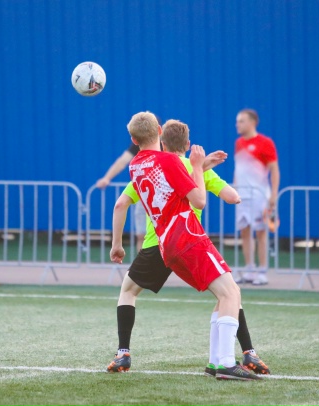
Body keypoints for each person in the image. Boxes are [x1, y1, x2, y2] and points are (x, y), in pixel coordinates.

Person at [106, 119, 270, 378]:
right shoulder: (174, 163)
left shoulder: (137, 166)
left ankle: (125, 351)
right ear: (159, 132)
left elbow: (124, 202)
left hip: (160, 243)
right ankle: (231, 360)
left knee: (129, 291)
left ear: (136, 141)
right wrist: (198, 167)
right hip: (188, 236)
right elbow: (206, 199)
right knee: (230, 293)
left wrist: (117, 244)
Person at [96, 115, 162, 252]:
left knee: (145, 236)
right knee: (143, 235)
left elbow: (120, 205)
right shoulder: (142, 150)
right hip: (148, 192)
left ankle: (145, 263)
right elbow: (123, 161)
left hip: (150, 192)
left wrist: (107, 178)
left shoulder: (162, 148)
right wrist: (107, 178)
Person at [233, 109, 280, 286]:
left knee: (261, 232)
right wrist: (235, 189)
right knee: (244, 231)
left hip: (259, 195)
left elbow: (274, 169)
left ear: (253, 122)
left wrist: (273, 194)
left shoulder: (265, 143)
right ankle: (249, 269)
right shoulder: (238, 143)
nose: (238, 124)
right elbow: (238, 169)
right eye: (237, 121)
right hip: (242, 195)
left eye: (241, 121)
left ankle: (262, 271)